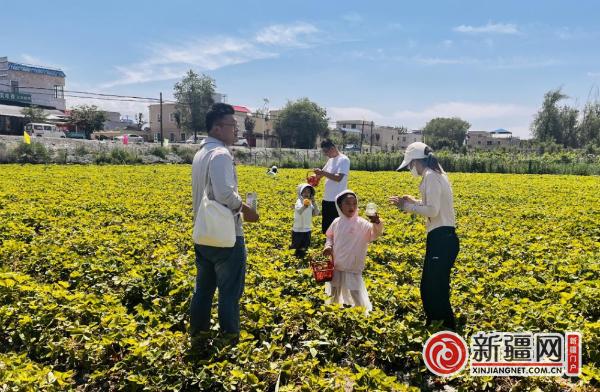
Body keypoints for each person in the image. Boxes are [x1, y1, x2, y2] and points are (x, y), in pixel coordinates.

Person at [190, 103, 259, 349]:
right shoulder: (220, 154)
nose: (236, 130)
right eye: (232, 125)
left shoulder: (200, 154)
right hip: (226, 235)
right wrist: (247, 209)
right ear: (218, 128)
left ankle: (198, 334)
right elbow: (224, 194)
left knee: (204, 289)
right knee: (229, 292)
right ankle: (229, 339)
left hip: (203, 232)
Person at [389, 142, 459, 330]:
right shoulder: (438, 174)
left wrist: (406, 207)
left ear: (416, 161)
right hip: (445, 237)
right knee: (437, 286)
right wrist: (413, 201)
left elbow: (433, 210)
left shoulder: (429, 175)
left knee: (431, 288)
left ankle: (442, 326)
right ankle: (444, 324)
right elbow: (431, 204)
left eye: (411, 164)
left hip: (441, 238)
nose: (411, 168)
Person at [323, 190, 383, 313]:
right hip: (337, 263)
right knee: (335, 289)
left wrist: (377, 222)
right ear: (340, 206)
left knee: (355, 290)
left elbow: (374, 233)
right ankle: (332, 311)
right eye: (348, 203)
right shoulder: (336, 222)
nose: (352, 206)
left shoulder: (362, 223)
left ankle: (360, 312)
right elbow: (330, 236)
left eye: (354, 203)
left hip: (353, 263)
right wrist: (328, 246)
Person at [314, 139, 350, 234]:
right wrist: (315, 177)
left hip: (337, 200)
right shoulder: (330, 160)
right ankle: (327, 247)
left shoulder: (344, 160)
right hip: (327, 199)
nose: (325, 154)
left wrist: (323, 173)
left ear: (333, 148)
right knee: (326, 228)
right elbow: (321, 175)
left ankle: (337, 248)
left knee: (336, 229)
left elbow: (338, 178)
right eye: (324, 152)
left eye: (326, 151)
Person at [290, 183, 320, 258]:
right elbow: (299, 211)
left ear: (311, 194)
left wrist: (313, 202)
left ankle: (302, 261)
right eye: (305, 191)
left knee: (304, 248)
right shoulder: (299, 201)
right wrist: (305, 206)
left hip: (307, 229)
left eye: (308, 192)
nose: (307, 193)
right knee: (296, 247)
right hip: (298, 230)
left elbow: (316, 213)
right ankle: (295, 261)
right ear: (301, 193)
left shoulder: (310, 203)